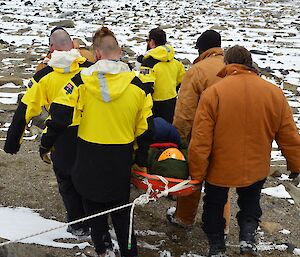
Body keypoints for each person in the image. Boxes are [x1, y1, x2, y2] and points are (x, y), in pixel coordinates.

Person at [39, 26, 154, 257]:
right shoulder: (138, 86)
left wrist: (46, 144)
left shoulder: (80, 81)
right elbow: (146, 130)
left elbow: (60, 115)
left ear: (97, 54)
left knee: (94, 211)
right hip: (120, 158)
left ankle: (103, 250)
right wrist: (140, 161)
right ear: (119, 51)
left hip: (89, 156)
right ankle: (129, 252)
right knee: (122, 212)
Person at [188, 45, 300, 257]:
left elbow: (200, 140)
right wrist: (296, 164)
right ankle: (247, 238)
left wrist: (197, 172)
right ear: (250, 64)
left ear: (227, 65)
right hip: (256, 166)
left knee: (214, 204)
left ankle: (216, 246)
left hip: (219, 168)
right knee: (250, 201)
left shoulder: (213, 94)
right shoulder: (274, 93)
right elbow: (289, 135)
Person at [4, 26, 93, 236]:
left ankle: (79, 225)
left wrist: (12, 143)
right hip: (92, 130)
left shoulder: (44, 75)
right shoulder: (91, 69)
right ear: (73, 45)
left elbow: (24, 110)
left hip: (61, 134)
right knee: (90, 176)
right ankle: (96, 221)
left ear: (51, 48)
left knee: (66, 179)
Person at [168, 30, 230, 234]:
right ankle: (222, 225)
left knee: (194, 176)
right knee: (221, 182)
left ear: (201, 49)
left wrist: (179, 138)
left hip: (201, 135)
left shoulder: (197, 70)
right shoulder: (233, 67)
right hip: (229, 136)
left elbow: (185, 110)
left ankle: (184, 218)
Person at [138, 27, 185, 123]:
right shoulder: (175, 61)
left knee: (156, 133)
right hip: (172, 102)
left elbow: (146, 87)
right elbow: (181, 80)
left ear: (152, 42)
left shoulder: (149, 63)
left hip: (155, 105)